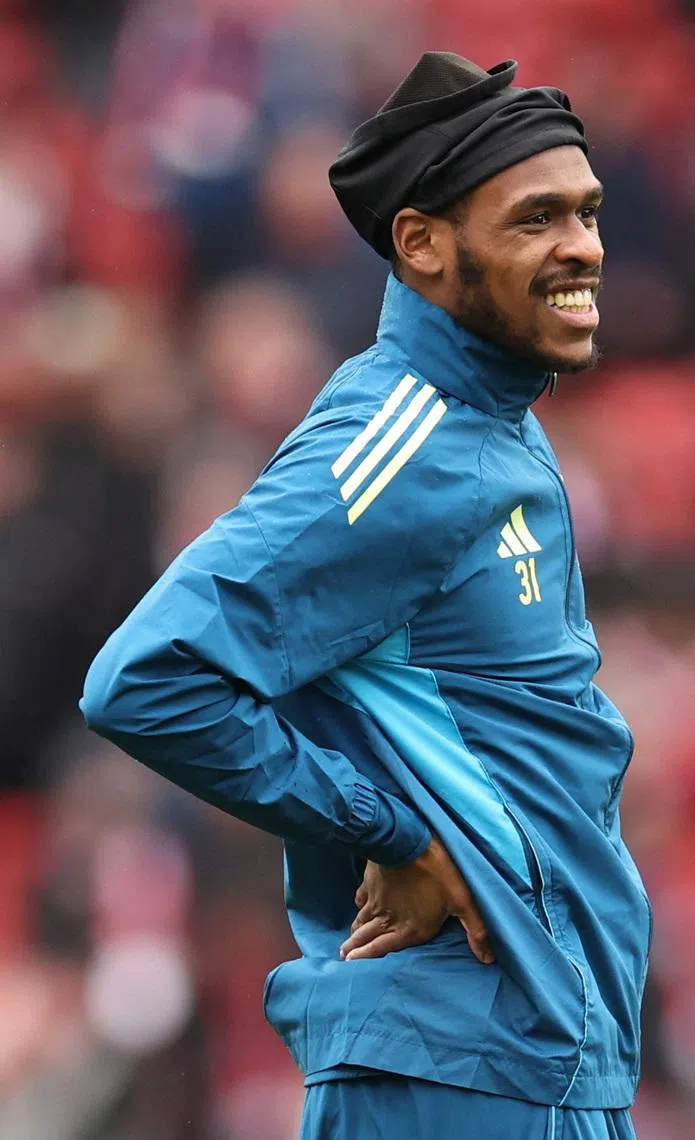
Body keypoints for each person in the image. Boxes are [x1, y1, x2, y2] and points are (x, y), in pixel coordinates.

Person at [81, 52, 650, 1140]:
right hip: (457, 1066)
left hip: (537, 1057)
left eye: (587, 213)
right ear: (424, 245)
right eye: (535, 220)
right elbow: (147, 678)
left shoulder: (495, 424)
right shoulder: (401, 444)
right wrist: (391, 832)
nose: (584, 247)